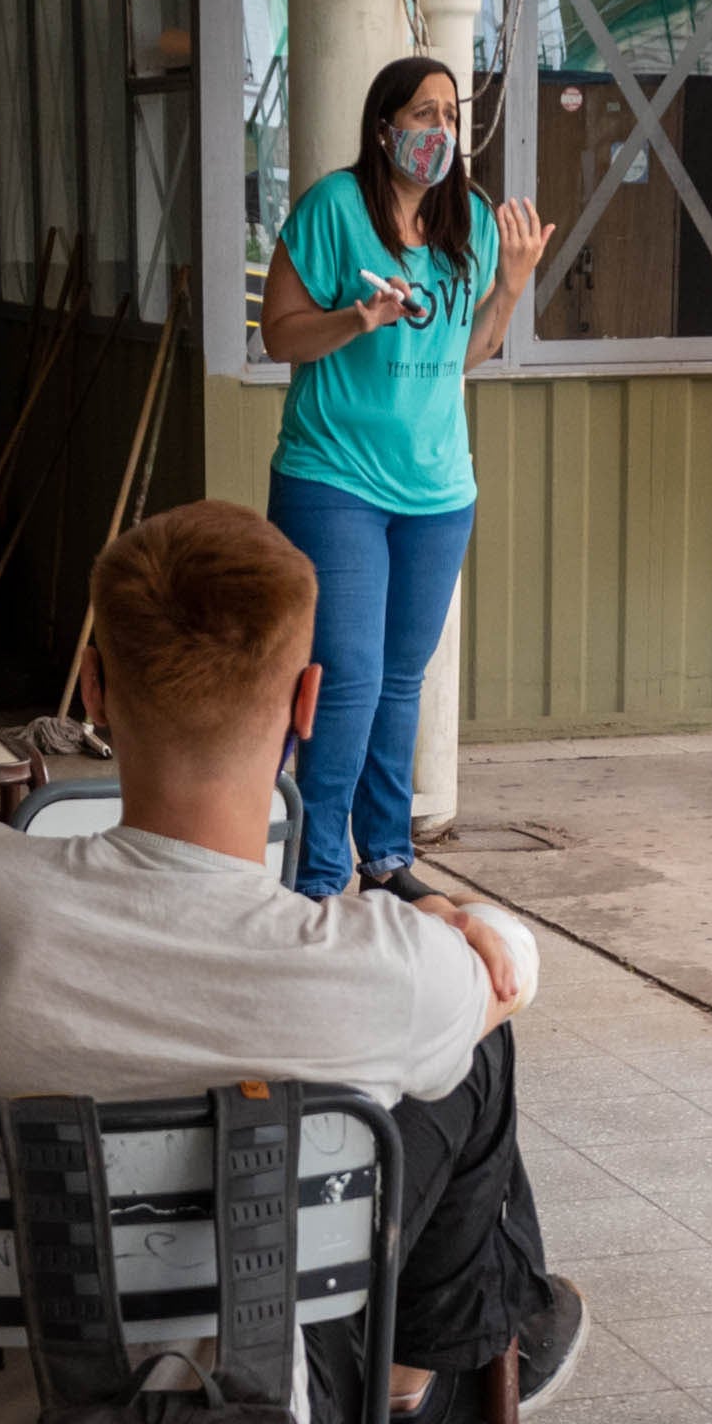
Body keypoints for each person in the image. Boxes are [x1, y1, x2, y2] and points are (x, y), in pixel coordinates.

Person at [0, 501, 584, 1424]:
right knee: (471, 1060)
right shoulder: (372, 969)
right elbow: (512, 972)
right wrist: (451, 923)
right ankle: (411, 1395)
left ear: (95, 692)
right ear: (309, 703)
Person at [258, 56, 551, 901]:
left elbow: (471, 352)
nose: (441, 133)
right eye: (423, 115)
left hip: (437, 491)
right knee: (345, 675)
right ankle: (314, 878)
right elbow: (279, 337)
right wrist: (358, 317)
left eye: (451, 116)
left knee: (398, 678)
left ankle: (384, 858)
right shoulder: (332, 210)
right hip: (334, 479)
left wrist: (513, 284)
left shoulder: (473, 224)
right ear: (384, 125)